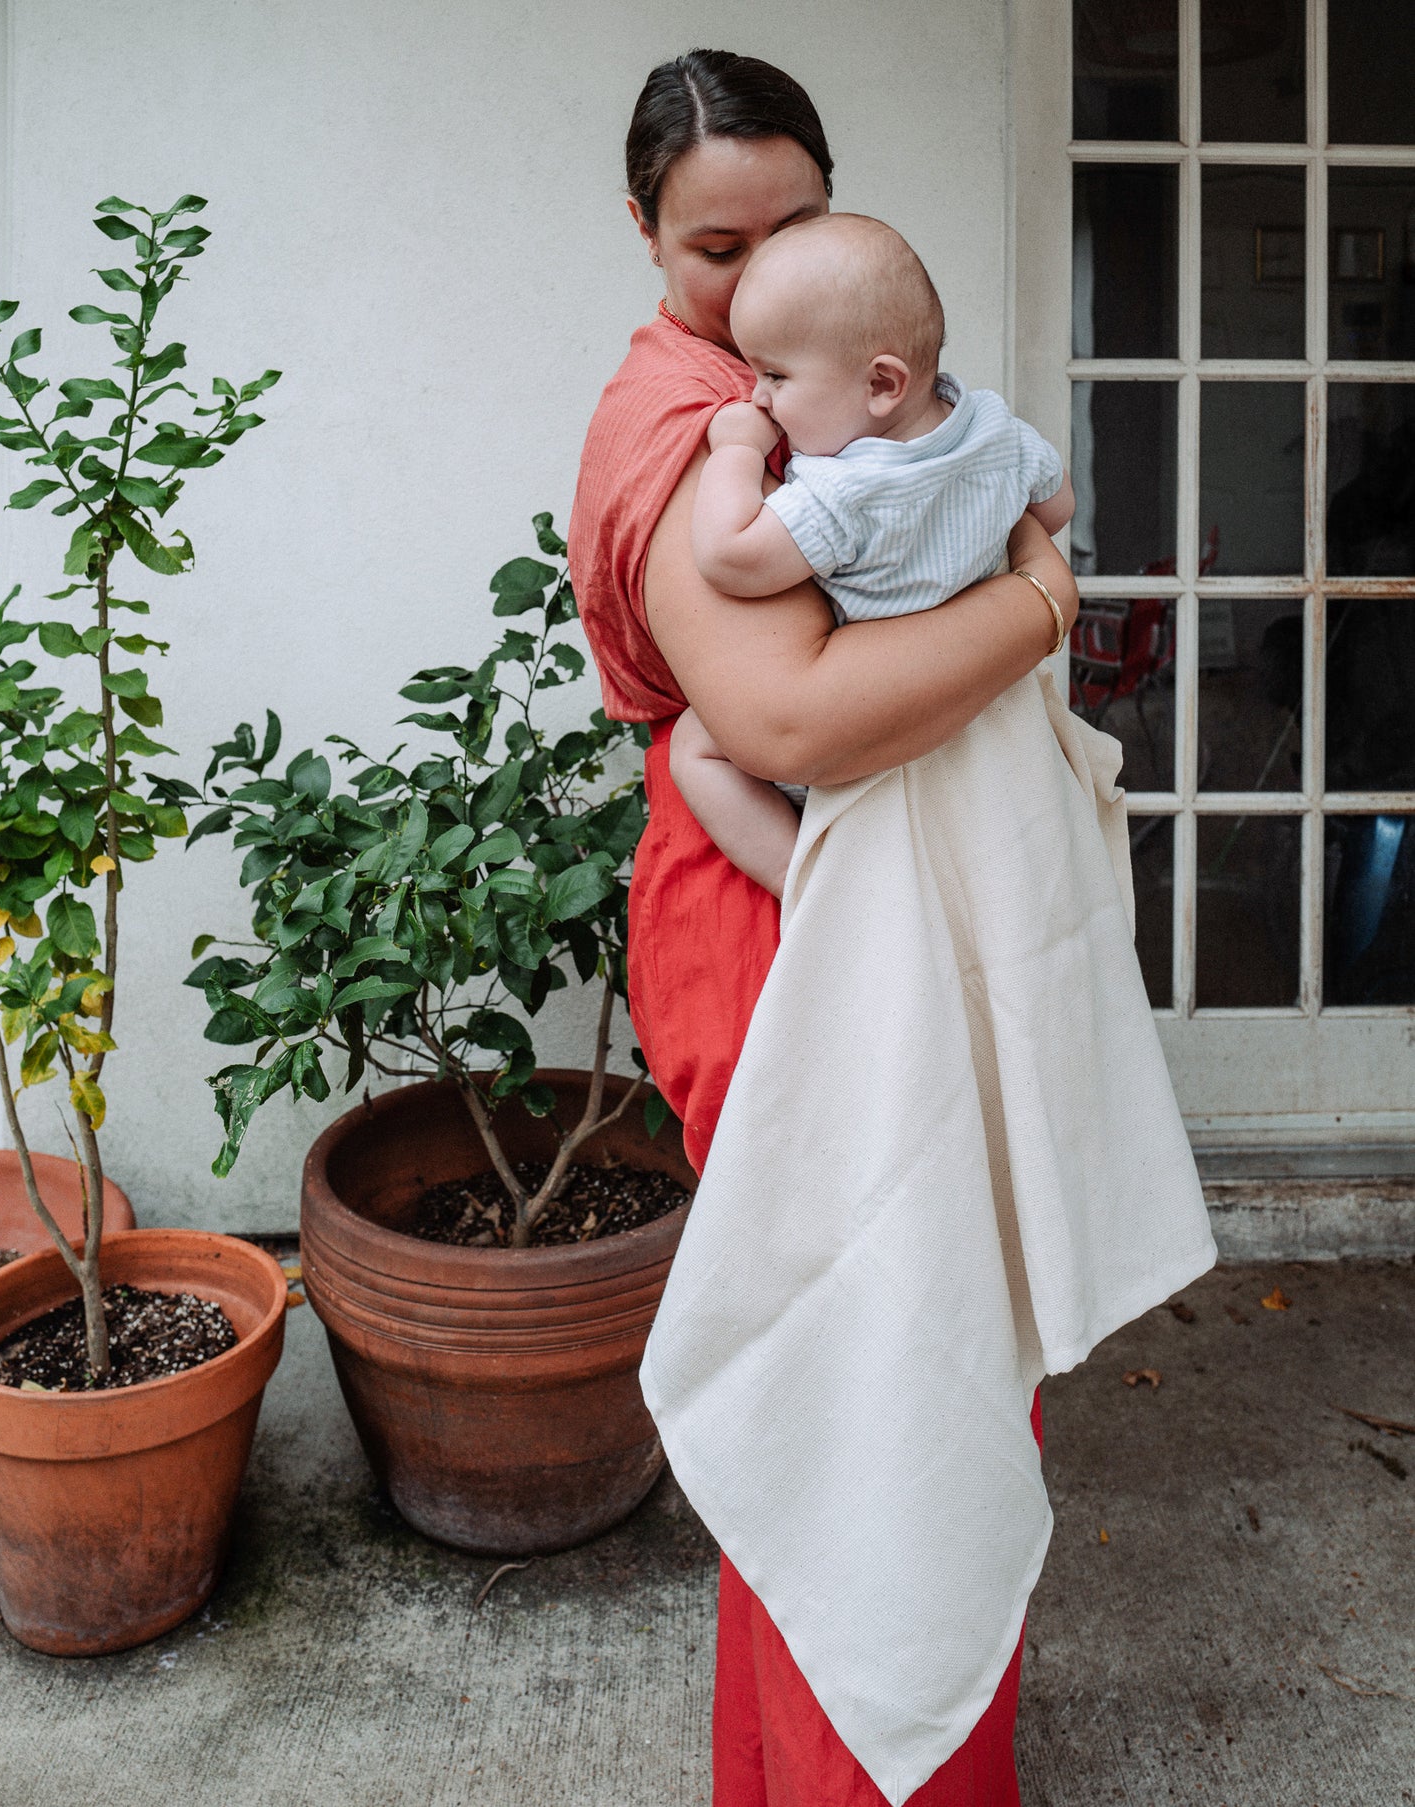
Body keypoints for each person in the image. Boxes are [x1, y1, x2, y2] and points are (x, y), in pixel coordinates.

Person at [567, 50, 1079, 1807]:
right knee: (859, 1377)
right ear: (644, 235)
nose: (761, 271)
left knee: (930, 1352)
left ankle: (839, 1764)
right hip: (768, 911)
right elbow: (778, 727)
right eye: (720, 244)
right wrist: (1035, 603)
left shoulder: (841, 390)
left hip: (876, 892)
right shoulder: (684, 439)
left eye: (798, 223)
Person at [671, 212, 1077, 897]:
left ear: (881, 384)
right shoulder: (997, 430)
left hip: (868, 725)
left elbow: (728, 555)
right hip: (975, 704)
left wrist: (735, 448)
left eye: (774, 374)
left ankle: (800, 881)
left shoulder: (842, 492)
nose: (758, 396)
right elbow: (1057, 505)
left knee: (694, 745)